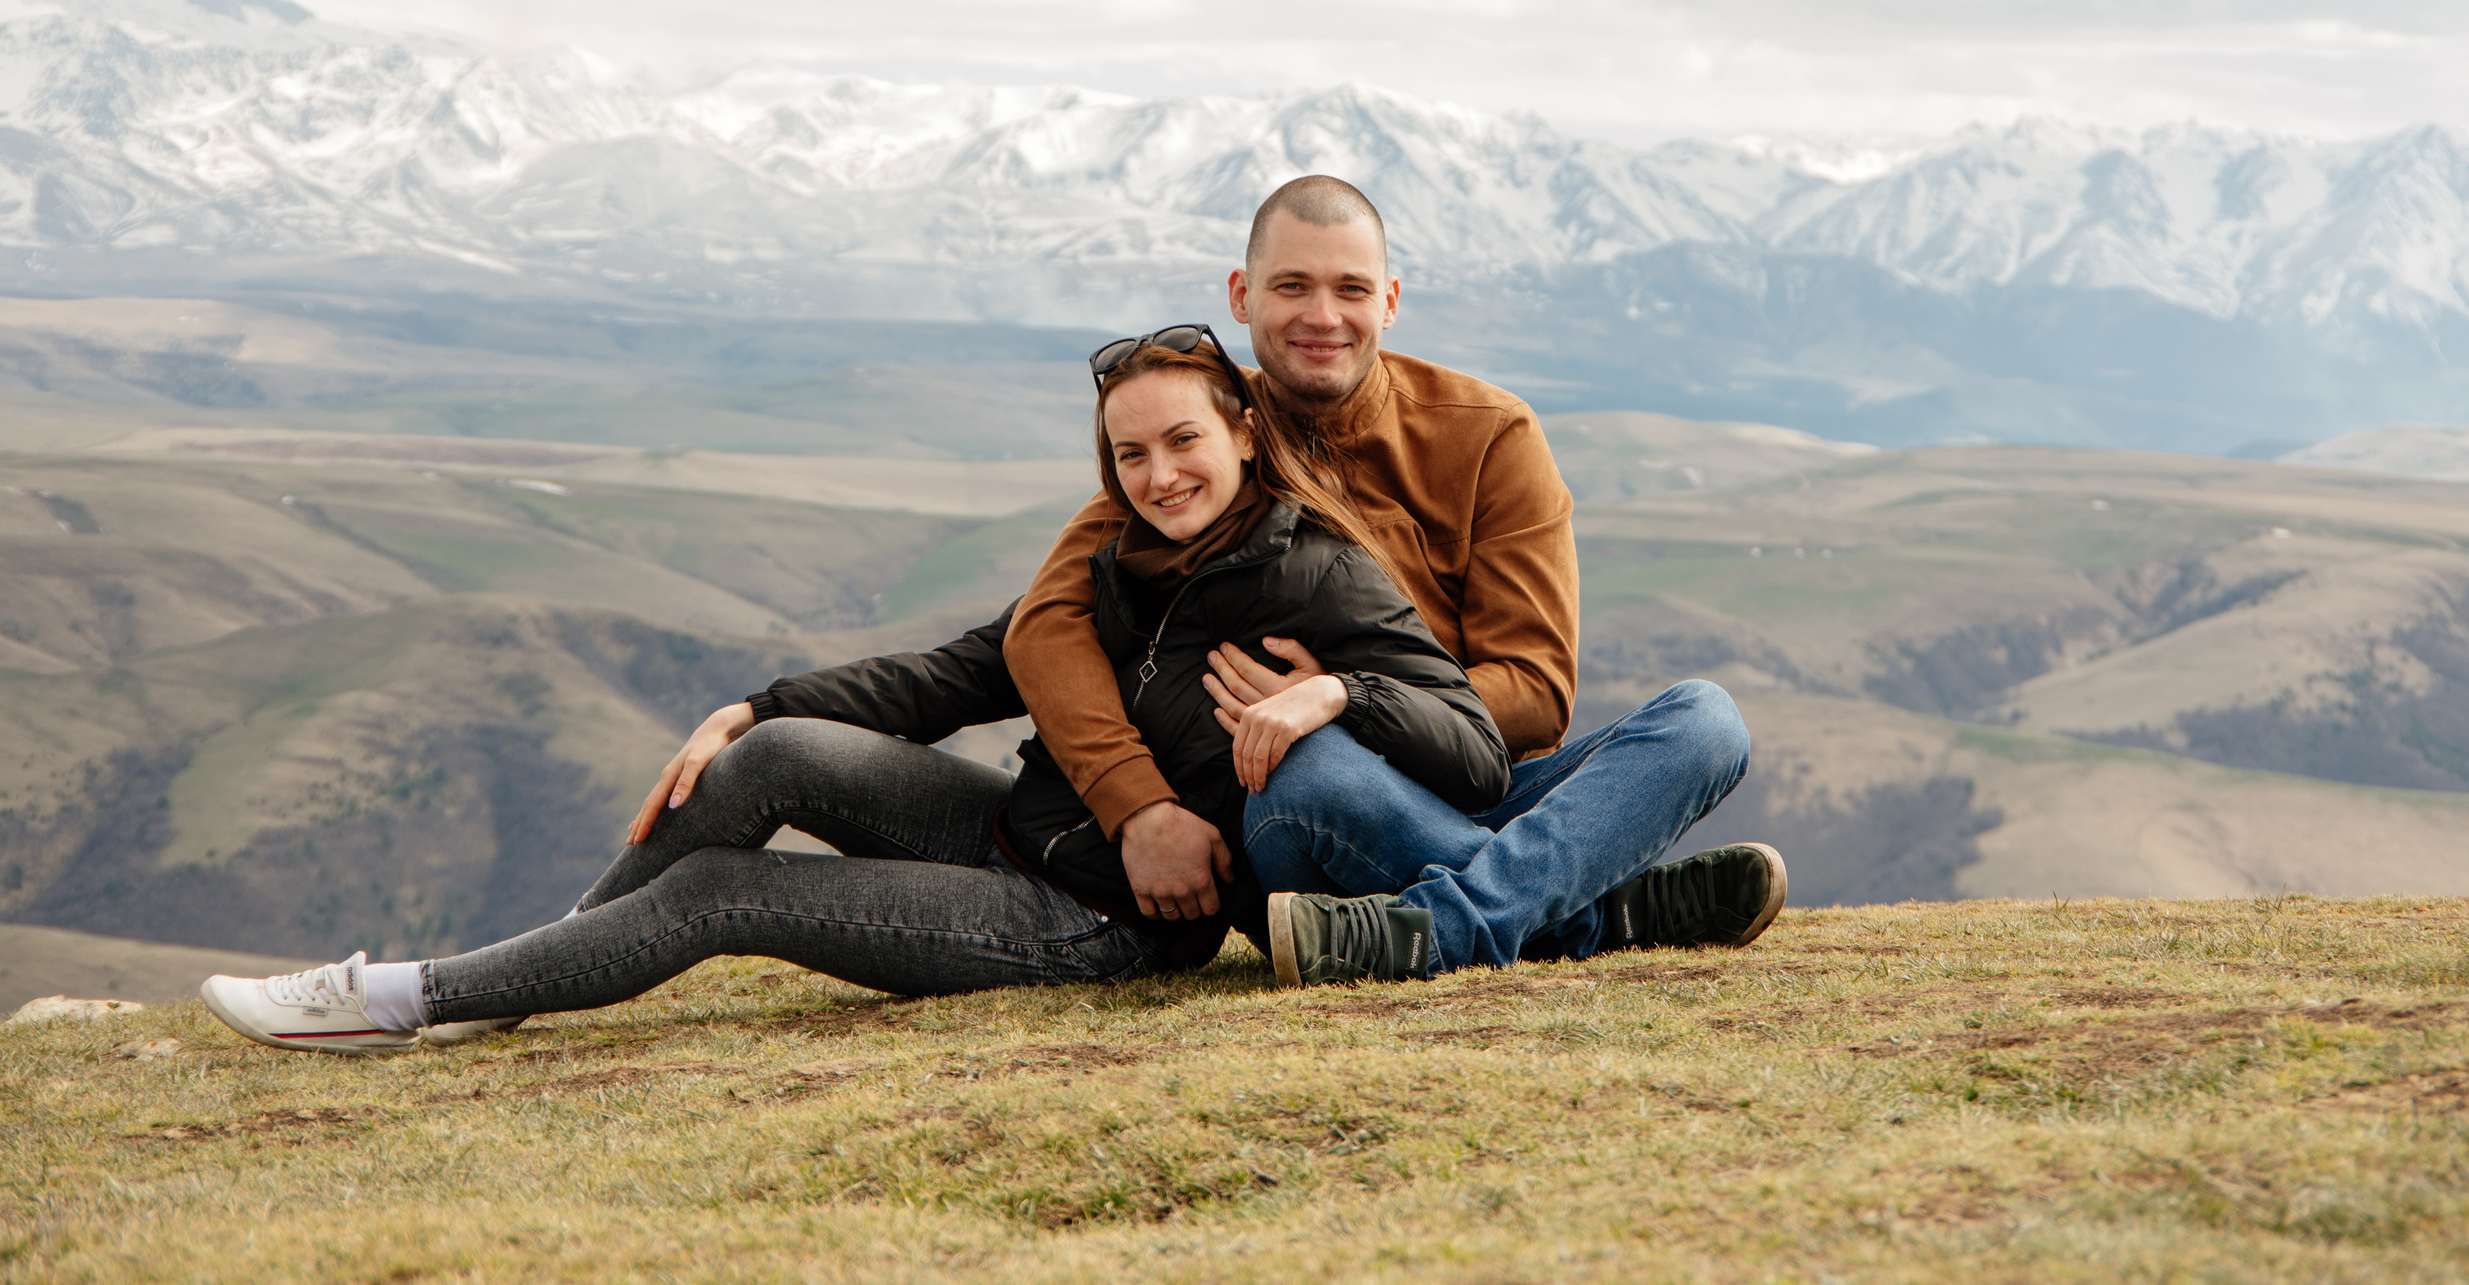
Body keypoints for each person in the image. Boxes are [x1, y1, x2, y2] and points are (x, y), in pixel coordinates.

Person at [199, 327, 1498, 1053]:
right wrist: (759, 706)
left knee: (724, 895)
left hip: (1096, 917)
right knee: (767, 764)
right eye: (1131, 451)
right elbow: (954, 674)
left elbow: (1476, 743)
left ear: (1245, 434)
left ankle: (397, 999)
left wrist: (1332, 693)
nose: (1159, 471)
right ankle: (523, 972)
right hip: (1016, 825)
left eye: (1184, 441)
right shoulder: (1118, 564)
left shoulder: (1318, 574)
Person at [1005, 175, 1783, 983]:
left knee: (1707, 721)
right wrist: (1135, 802)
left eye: (1351, 288)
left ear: (1390, 300)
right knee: (1313, 761)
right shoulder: (1207, 439)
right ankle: (1587, 913)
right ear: (1242, 296)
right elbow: (1045, 622)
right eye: (1291, 286)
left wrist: (1348, 693)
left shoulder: (1491, 437)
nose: (1322, 316)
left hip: (1478, 783)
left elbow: (1535, 691)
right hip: (1313, 804)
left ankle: (1453, 925)